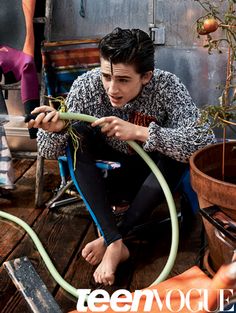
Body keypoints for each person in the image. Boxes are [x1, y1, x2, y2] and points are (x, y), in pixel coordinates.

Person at [28, 27, 215, 286]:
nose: (112, 88)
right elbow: (48, 151)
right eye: (106, 76)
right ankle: (116, 240)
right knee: (76, 133)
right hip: (105, 178)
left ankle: (112, 237)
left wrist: (141, 132)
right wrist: (55, 131)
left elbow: (203, 142)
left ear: (146, 76)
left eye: (124, 80)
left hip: (148, 181)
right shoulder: (87, 85)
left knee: (177, 155)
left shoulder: (167, 85)